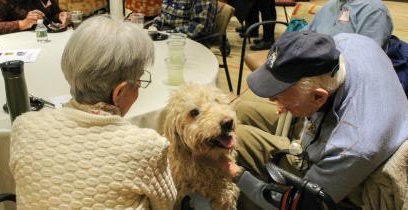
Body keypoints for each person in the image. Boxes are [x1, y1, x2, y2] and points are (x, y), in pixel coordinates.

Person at [225, 31, 408, 209]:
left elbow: (298, 205)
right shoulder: (350, 42)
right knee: (237, 111)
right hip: (329, 127)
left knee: (240, 139)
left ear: (319, 98)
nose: (272, 100)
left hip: (341, 177)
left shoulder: (351, 146)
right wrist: (289, 102)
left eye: (278, 94)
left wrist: (236, 174)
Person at [9, 16, 177, 209]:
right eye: (139, 81)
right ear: (119, 92)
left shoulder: (24, 127)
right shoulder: (148, 148)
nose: (139, 87)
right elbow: (165, 204)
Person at [308, 0, 393, 50]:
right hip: (316, 67)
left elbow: (365, 58)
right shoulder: (330, 4)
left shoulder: (374, 10)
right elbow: (305, 35)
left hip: (346, 74)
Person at [0, 0, 69, 37]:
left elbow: (51, 15)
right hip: (14, 49)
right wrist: (22, 24)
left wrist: (60, 15)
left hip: (45, 41)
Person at [151, 0, 217, 39]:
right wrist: (154, 26)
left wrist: (166, 34)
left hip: (188, 42)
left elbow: (198, 28)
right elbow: (163, 15)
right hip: (165, 36)